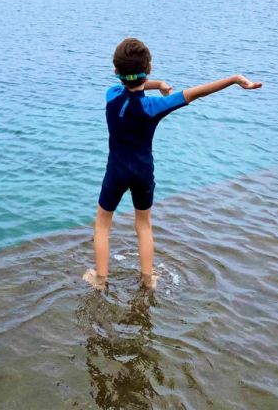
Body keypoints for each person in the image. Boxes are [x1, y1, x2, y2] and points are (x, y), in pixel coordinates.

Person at [84, 38, 262, 291]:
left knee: (102, 225)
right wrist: (233, 79)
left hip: (116, 171)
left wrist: (156, 84)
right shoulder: (153, 106)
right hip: (143, 172)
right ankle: (148, 280)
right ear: (150, 68)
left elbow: (133, 83)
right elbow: (197, 92)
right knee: (144, 226)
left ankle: (100, 280)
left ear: (115, 72)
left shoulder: (111, 96)